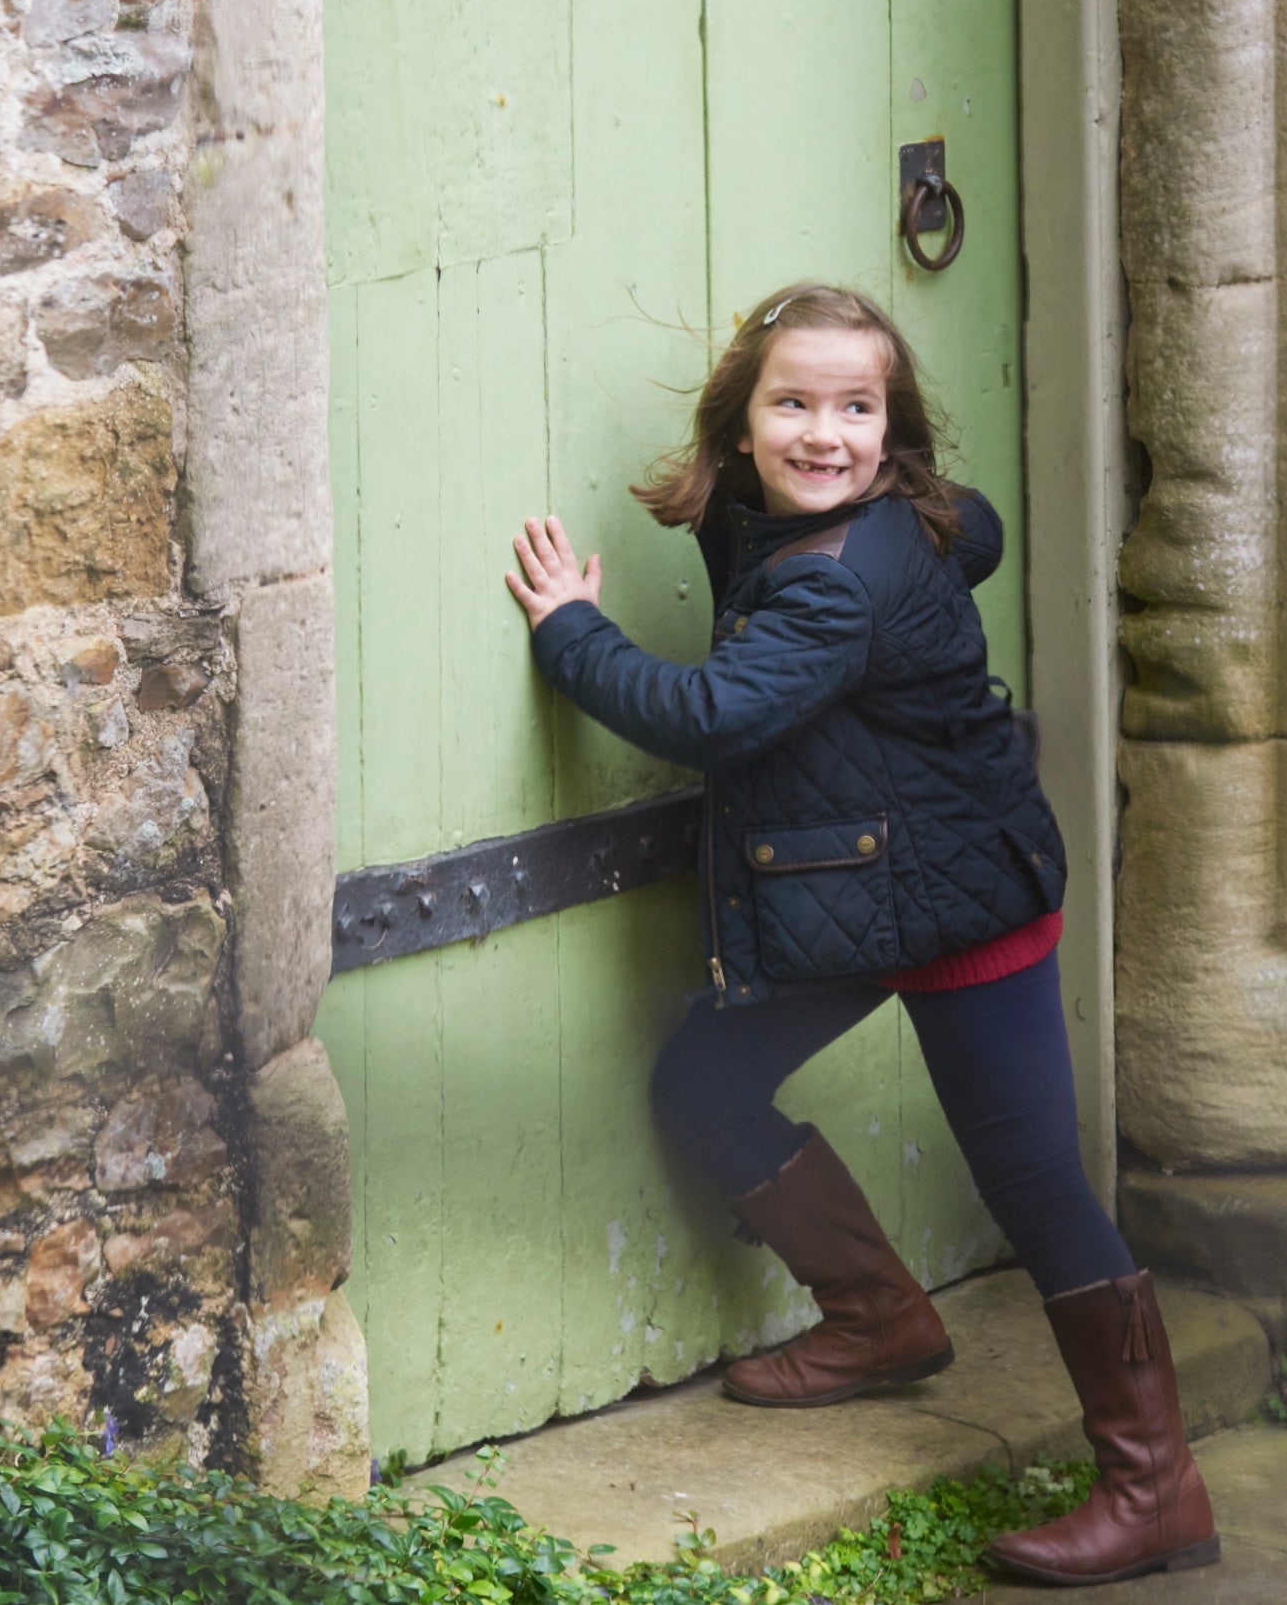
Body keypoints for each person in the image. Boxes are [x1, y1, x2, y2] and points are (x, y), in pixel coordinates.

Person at [500, 283, 1215, 1587]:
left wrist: (572, 633)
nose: (825, 432)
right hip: (857, 886)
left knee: (1036, 1188)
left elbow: (714, 712)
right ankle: (880, 1318)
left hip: (962, 906)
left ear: (895, 427)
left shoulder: (843, 576)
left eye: (857, 407)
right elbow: (977, 532)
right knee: (704, 1081)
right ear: (740, 421)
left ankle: (1154, 1489)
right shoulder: (860, 518)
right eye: (794, 403)